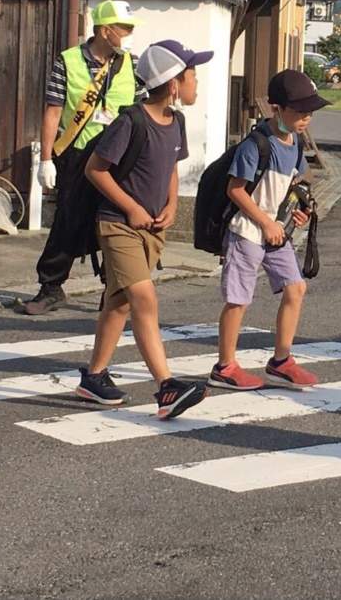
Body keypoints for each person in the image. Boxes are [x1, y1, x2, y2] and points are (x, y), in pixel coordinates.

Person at [75, 40, 213, 418]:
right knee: (144, 299)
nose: (196, 84)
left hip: (152, 228)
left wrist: (171, 205)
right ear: (173, 84)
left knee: (118, 302)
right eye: (192, 76)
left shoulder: (177, 122)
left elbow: (171, 166)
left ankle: (94, 376)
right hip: (118, 224)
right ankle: (166, 387)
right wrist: (132, 207)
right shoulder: (130, 122)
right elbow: (95, 170)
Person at [20, 0, 142, 315]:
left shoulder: (133, 64)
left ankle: (112, 288)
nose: (127, 34)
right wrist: (46, 159)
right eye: (122, 28)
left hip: (117, 156)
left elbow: (143, 112)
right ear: (104, 30)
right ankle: (51, 286)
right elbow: (53, 111)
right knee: (69, 219)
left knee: (113, 222)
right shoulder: (68, 61)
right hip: (75, 153)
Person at [209, 70, 327, 391]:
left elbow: (292, 184)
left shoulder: (295, 146)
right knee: (238, 300)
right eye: (299, 112)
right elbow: (235, 190)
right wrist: (265, 221)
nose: (306, 119)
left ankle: (281, 361)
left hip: (276, 233)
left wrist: (297, 213)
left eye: (309, 113)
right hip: (247, 231)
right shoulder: (257, 144)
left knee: (295, 288)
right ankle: (224, 366)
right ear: (277, 109)